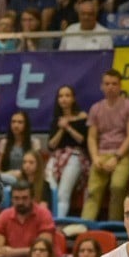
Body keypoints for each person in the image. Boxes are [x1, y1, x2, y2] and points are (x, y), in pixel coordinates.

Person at [84, 68, 129, 221]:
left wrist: (116, 157)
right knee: (92, 190)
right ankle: (85, 226)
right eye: (107, 84)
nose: (110, 87)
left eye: (114, 84)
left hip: (124, 155)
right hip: (101, 154)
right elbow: (91, 137)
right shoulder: (95, 108)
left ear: (120, 86)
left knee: (117, 186)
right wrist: (95, 157)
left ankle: (114, 225)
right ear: (102, 86)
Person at [0, 179, 56, 257]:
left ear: (32, 198)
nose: (20, 202)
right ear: (12, 199)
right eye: (16, 198)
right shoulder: (5, 215)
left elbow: (44, 247)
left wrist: (13, 253)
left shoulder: (44, 214)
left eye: (24, 198)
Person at [46, 84, 90, 218]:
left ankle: (59, 224)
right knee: (51, 189)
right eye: (61, 96)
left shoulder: (82, 117)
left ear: (73, 99)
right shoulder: (56, 121)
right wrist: (61, 128)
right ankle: (50, 220)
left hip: (75, 156)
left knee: (63, 193)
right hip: (57, 157)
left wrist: (68, 127)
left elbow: (83, 141)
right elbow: (51, 145)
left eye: (67, 95)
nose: (64, 99)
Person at [0, 111, 41, 187]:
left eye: (20, 122)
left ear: (26, 125)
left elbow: (38, 168)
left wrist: (21, 174)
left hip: (28, 179)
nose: (16, 125)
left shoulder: (34, 143)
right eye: (13, 122)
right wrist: (11, 173)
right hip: (8, 179)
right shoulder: (4, 143)